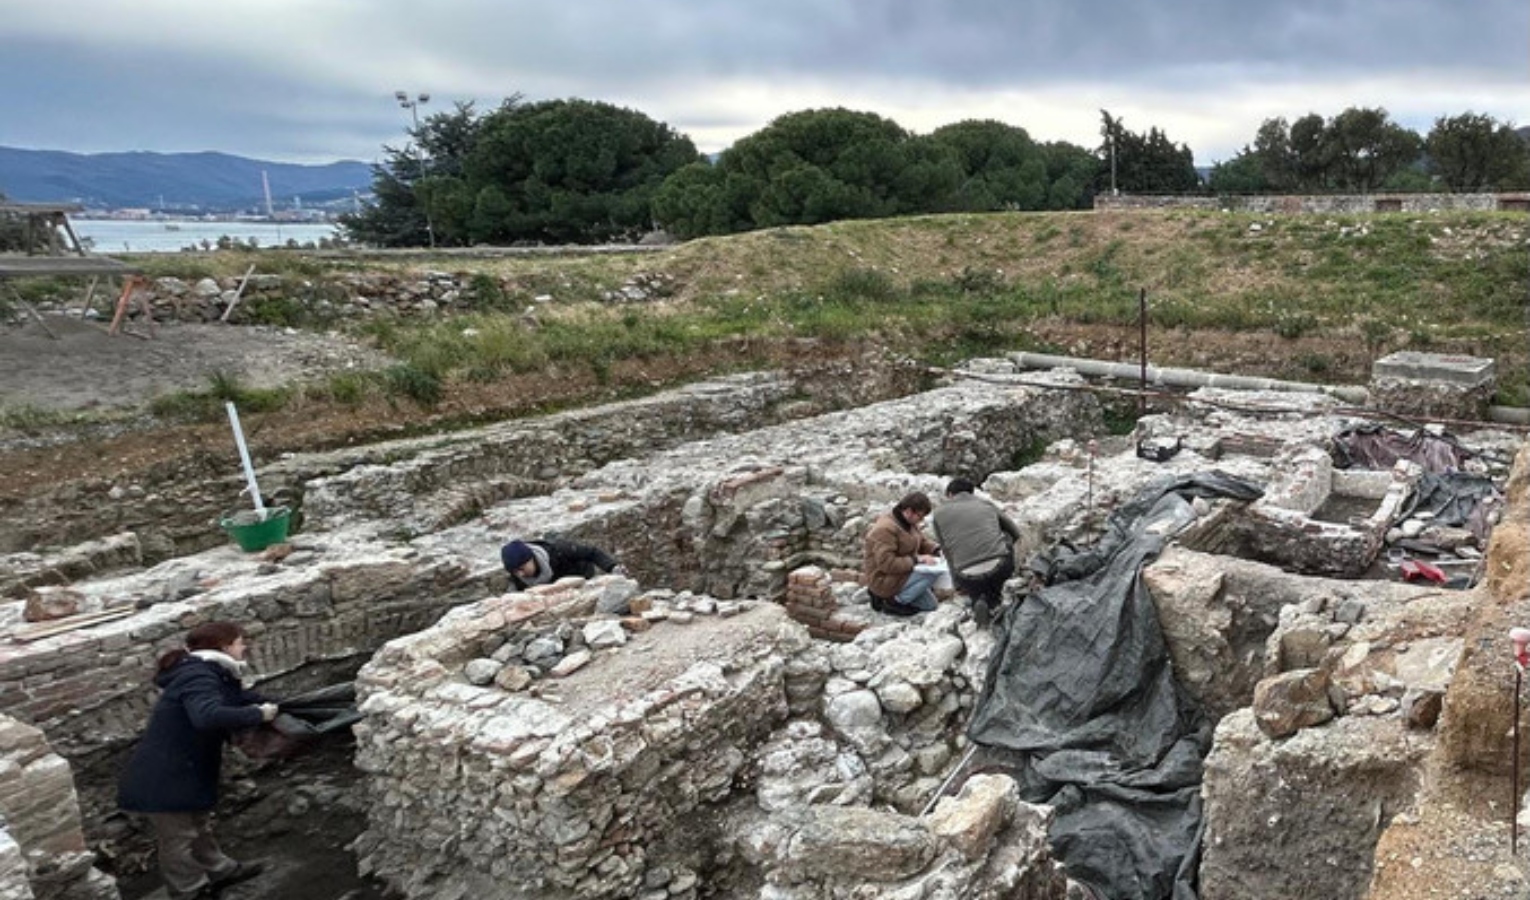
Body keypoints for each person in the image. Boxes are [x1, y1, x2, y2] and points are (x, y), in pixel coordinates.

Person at [118, 621, 275, 899]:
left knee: (198, 825)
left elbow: (234, 698)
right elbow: (206, 715)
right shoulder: (198, 676)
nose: (244, 647)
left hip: (186, 766)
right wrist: (257, 715)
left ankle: (219, 870)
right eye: (240, 642)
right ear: (224, 646)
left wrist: (274, 703)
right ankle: (188, 890)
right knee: (178, 837)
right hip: (164, 774)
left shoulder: (211, 672)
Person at [931, 478, 1022, 627]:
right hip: (999, 568)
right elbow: (1015, 533)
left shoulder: (938, 514)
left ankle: (978, 601)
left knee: (975, 582)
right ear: (972, 493)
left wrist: (957, 583)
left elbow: (946, 552)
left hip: (966, 575)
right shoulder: (986, 505)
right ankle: (996, 599)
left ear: (949, 494)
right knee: (1005, 538)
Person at [862, 491, 943, 616]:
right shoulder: (885, 529)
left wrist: (937, 550)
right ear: (909, 511)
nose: (921, 521)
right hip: (884, 578)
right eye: (920, 516)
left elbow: (921, 541)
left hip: (903, 572)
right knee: (931, 574)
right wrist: (917, 559)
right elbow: (887, 564)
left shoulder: (909, 523)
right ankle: (893, 602)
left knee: (930, 606)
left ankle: (900, 596)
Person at [501, 537, 624, 591]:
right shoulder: (517, 575)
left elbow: (592, 552)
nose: (520, 574)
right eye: (516, 571)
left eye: (522, 568)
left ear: (531, 558)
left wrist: (612, 568)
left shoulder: (559, 550)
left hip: (582, 577)